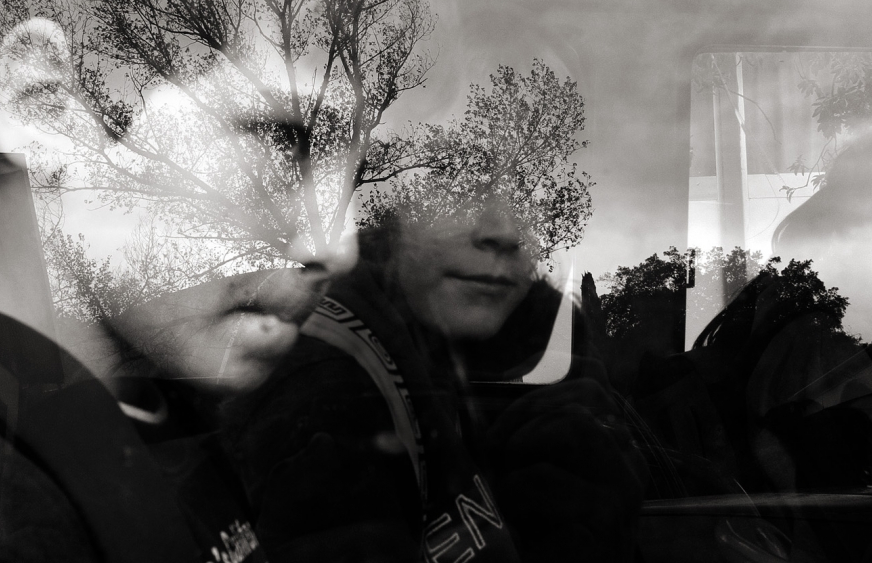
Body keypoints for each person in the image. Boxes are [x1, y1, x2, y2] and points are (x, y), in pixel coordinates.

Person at [219, 200, 648, 563]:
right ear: (401, 226)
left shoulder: (479, 355)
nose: (504, 232)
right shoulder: (326, 388)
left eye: (524, 201)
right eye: (460, 195)